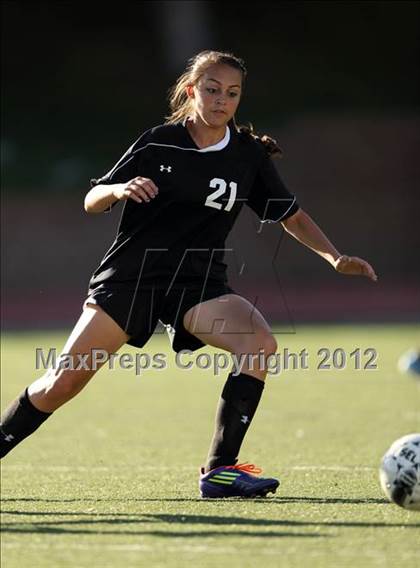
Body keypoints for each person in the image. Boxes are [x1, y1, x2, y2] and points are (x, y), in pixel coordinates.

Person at [0, 50, 377, 498]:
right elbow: (92, 199)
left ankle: (220, 470)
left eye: (232, 93)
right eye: (212, 89)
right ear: (190, 90)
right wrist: (119, 189)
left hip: (196, 284)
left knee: (259, 343)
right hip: (132, 277)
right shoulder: (159, 141)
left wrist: (334, 257)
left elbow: (290, 215)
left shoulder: (247, 156)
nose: (222, 100)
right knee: (62, 382)